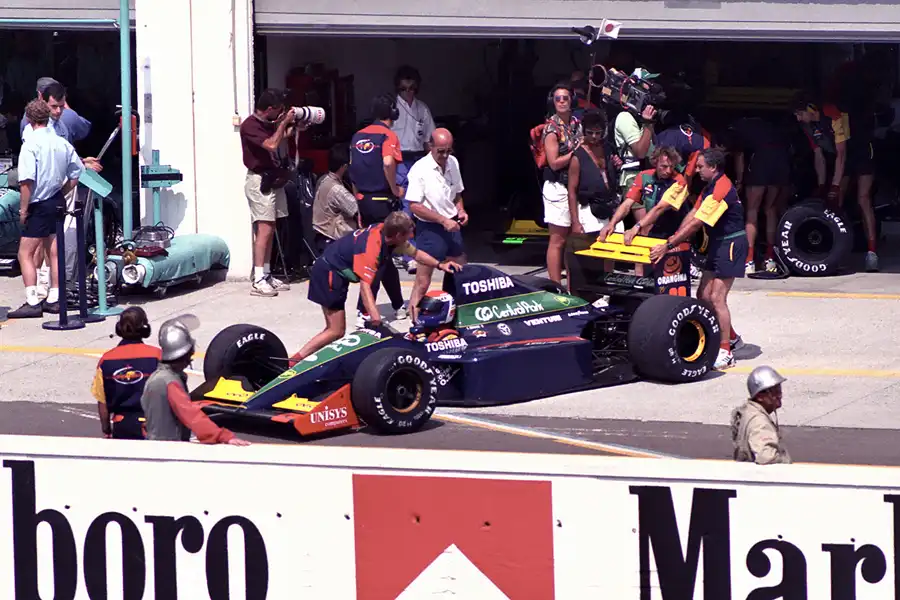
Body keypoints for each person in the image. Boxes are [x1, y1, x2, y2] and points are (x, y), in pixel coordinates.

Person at [289, 212, 461, 366]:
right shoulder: (371, 248)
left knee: (337, 331)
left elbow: (417, 254)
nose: (411, 235)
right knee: (335, 330)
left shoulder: (387, 233)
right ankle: (295, 361)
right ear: (398, 235)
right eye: (409, 232)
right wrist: (376, 319)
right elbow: (366, 288)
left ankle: (304, 361)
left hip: (337, 271)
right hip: (328, 273)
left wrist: (440, 265)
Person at [648, 148, 747, 370]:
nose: (697, 170)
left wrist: (669, 245)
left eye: (701, 166)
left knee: (717, 298)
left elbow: (697, 223)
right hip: (717, 243)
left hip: (731, 244)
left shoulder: (721, 188)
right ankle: (731, 337)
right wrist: (674, 237)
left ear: (713, 167)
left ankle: (726, 352)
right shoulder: (708, 187)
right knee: (703, 295)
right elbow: (693, 213)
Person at [21, 79, 100, 299]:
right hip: (49, 192)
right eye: (54, 106)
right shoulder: (33, 131)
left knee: (47, 247)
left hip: (50, 194)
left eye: (61, 106)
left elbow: (30, 177)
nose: (57, 111)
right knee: (41, 246)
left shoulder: (61, 125)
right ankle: (44, 288)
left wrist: (24, 209)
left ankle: (45, 294)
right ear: (42, 101)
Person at [8, 99, 83, 319]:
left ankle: (32, 301)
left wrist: (23, 210)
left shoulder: (30, 144)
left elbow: (26, 182)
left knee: (25, 252)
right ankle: (54, 298)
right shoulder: (61, 142)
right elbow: (76, 173)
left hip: (39, 202)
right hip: (56, 199)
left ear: (29, 119)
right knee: (54, 251)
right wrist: (62, 191)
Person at [140, 317, 250, 445]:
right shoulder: (170, 382)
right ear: (183, 355)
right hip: (170, 448)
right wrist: (223, 436)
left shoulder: (155, 378)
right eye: (189, 356)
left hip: (153, 444)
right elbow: (190, 414)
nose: (190, 361)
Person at [349, 93, 408, 323]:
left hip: (364, 200)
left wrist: (358, 197)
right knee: (377, 256)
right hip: (383, 200)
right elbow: (387, 162)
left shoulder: (357, 136)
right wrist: (395, 189)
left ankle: (398, 305)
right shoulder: (388, 135)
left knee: (385, 255)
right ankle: (364, 310)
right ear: (393, 113)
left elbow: (352, 169)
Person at [405, 128, 468, 323]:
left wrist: (461, 210)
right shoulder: (419, 169)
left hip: (452, 224)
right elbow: (414, 205)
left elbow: (457, 193)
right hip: (431, 228)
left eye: (448, 151)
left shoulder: (453, 162)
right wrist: (442, 220)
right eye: (441, 151)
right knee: (423, 281)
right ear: (430, 147)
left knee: (461, 273)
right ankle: (415, 322)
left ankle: (458, 316)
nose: (445, 156)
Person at [240, 88, 295, 297]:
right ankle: (258, 279)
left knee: (271, 228)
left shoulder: (267, 123)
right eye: (279, 109)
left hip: (273, 179)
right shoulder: (250, 125)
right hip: (259, 181)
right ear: (270, 108)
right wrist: (283, 123)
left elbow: (280, 137)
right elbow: (272, 144)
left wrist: (294, 126)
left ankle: (267, 273)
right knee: (263, 229)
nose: (281, 113)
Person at [724, 116, 793, 274]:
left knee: (752, 211)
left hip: (761, 160)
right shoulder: (772, 126)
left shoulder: (737, 128)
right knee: (770, 209)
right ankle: (770, 258)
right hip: (780, 159)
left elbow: (740, 156)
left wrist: (739, 181)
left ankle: (749, 261)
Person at [391, 65, 436, 275]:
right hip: (399, 160)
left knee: (423, 206)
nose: (408, 93)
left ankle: (420, 250)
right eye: (404, 89)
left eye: (412, 89)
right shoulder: (391, 108)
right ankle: (408, 255)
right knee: (406, 208)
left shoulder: (422, 109)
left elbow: (429, 139)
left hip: (418, 158)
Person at [91, 307, 161, 439]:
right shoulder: (157, 356)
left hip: (121, 426)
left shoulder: (106, 360)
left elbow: (102, 401)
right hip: (153, 424)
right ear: (145, 328)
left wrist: (106, 429)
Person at [541, 81, 583, 284]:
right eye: (558, 98)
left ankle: (573, 285)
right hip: (557, 187)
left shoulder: (576, 124)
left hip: (574, 186)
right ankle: (555, 286)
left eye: (565, 97)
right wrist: (576, 151)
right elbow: (554, 163)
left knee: (572, 240)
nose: (562, 101)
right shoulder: (551, 128)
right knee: (557, 240)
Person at [565, 109, 619, 236]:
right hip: (589, 210)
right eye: (590, 133)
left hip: (610, 208)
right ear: (584, 131)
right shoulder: (577, 156)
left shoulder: (608, 149)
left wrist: (617, 164)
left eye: (597, 133)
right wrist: (575, 222)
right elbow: (572, 191)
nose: (594, 136)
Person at [612, 69, 660, 196]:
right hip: (633, 179)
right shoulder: (625, 117)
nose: (651, 88)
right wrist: (648, 123)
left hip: (648, 176)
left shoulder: (642, 118)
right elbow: (640, 152)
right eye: (648, 83)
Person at [731, 365, 791, 465]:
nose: (780, 395)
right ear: (759, 396)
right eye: (775, 392)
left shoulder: (748, 411)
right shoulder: (759, 423)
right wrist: (785, 463)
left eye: (779, 390)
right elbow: (766, 458)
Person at [312, 142, 360, 254]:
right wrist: (355, 181)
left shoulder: (323, 179)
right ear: (345, 166)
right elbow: (358, 210)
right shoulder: (337, 190)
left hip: (321, 235)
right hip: (332, 239)